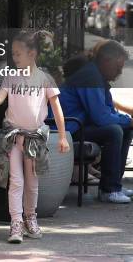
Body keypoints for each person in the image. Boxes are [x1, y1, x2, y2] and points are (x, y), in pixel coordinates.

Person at [0, 30, 69, 244]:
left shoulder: (45, 79)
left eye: (18, 54)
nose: (14, 58)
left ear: (32, 53)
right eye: (13, 54)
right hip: (14, 138)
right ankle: (16, 222)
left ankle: (31, 218)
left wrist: (62, 137)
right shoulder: (11, 78)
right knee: (17, 182)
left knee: (32, 183)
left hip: (35, 140)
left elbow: (56, 108)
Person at [58, 39, 133, 203]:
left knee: (125, 128)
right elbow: (101, 117)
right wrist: (128, 121)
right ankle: (109, 190)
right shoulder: (90, 76)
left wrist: (127, 121)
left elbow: (108, 111)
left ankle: (114, 185)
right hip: (67, 129)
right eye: (118, 67)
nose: (119, 72)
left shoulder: (97, 76)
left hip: (77, 125)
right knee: (114, 131)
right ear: (106, 61)